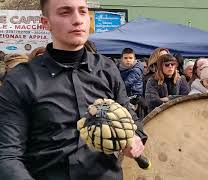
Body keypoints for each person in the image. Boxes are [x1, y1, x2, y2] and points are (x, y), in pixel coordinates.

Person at [0, 0, 146, 179]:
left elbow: (131, 118)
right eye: (65, 12)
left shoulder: (107, 68)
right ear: (46, 23)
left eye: (82, 11)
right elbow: (7, 155)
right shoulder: (21, 80)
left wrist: (135, 137)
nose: (77, 20)